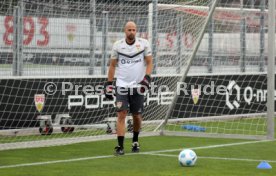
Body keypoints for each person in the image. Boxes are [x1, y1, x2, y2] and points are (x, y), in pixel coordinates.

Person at [104, 21, 153, 156]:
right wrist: (108, 84)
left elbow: (149, 62)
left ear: (136, 31)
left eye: (134, 30)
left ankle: (135, 141)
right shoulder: (118, 45)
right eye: (129, 30)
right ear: (125, 31)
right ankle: (119, 146)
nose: (132, 32)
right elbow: (112, 66)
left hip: (138, 86)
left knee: (137, 115)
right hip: (121, 85)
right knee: (121, 114)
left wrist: (147, 78)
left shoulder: (143, 44)